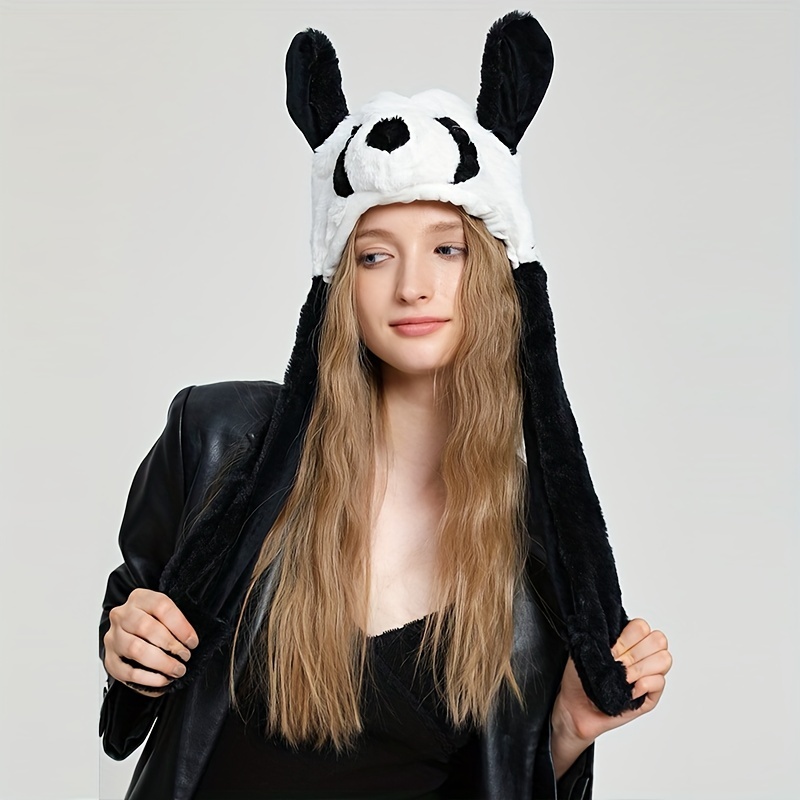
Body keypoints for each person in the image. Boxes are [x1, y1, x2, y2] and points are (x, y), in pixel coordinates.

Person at [99, 12, 672, 800]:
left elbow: (492, 782)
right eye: (375, 256)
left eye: (447, 249)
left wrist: (569, 727)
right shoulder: (215, 440)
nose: (412, 286)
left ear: (495, 274)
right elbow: (133, 636)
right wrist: (128, 643)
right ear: (340, 284)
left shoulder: (534, 547)